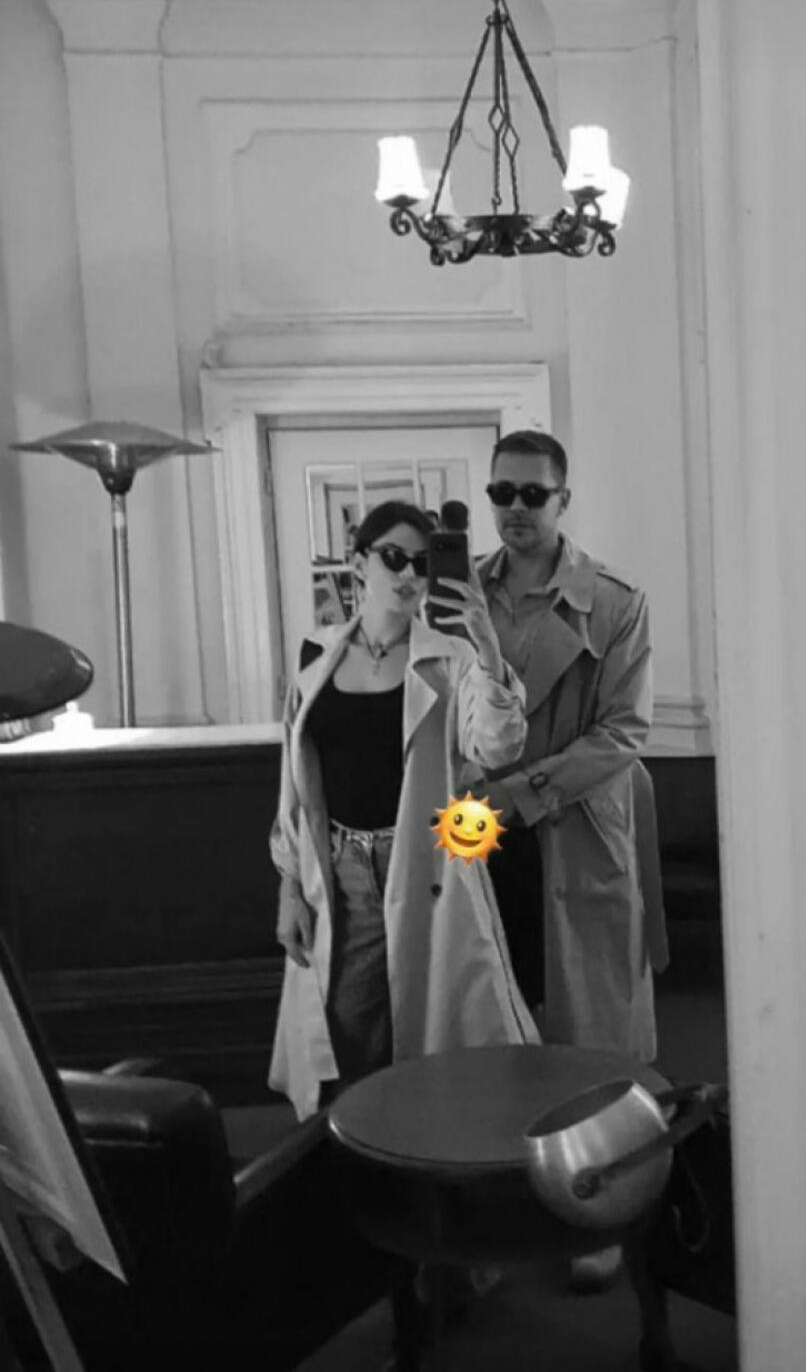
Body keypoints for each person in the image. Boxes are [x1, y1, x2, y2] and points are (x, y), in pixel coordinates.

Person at [465, 430, 668, 1289]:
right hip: (474, 831)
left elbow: (624, 729)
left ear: (563, 500)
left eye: (532, 494)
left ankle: (603, 1202)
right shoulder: (457, 593)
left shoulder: (614, 602)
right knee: (486, 1009)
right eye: (500, 492)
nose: (514, 509)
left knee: (592, 1026)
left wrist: (521, 793)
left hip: (573, 823)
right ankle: (496, 1201)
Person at [268, 499, 537, 1122]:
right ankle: (357, 1155)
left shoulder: (452, 658)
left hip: (425, 861)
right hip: (339, 868)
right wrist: (289, 885)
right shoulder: (316, 657)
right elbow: (293, 785)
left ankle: (432, 1152)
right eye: (394, 557)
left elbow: (498, 748)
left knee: (436, 1027)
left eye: (423, 562)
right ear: (358, 561)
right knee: (348, 1028)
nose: (410, 573)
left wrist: (488, 648)